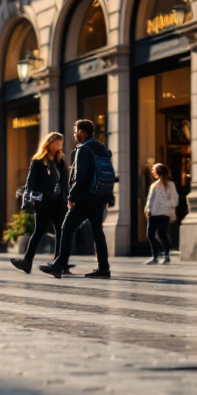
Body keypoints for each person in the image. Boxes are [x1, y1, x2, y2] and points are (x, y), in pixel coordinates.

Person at [42, 119, 113, 280]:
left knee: (66, 228)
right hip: (99, 196)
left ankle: (59, 264)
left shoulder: (84, 149)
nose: (74, 135)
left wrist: (72, 197)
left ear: (81, 132)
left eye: (75, 131)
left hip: (85, 198)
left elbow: (80, 177)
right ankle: (104, 268)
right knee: (97, 232)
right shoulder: (100, 147)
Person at [11, 133, 69, 275]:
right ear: (50, 143)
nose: (60, 146)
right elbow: (30, 182)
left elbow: (64, 182)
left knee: (61, 231)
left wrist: (66, 199)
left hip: (58, 202)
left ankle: (59, 264)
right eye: (58, 143)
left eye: (61, 144)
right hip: (43, 202)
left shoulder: (60, 161)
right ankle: (27, 262)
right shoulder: (38, 161)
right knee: (39, 230)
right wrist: (29, 198)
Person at [144, 162, 179, 265]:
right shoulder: (154, 185)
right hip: (154, 213)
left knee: (161, 234)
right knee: (151, 234)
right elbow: (150, 199)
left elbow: (174, 200)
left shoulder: (170, 184)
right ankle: (156, 256)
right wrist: (148, 209)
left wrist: (164, 204)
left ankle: (165, 255)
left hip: (164, 213)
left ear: (157, 172)